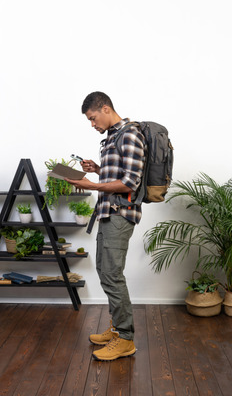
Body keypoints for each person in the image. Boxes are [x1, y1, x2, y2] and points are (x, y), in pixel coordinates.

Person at [65, 91, 145, 361]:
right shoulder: (111, 137)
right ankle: (117, 329)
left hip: (122, 214)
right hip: (108, 213)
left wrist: (91, 185)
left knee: (112, 274)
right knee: (104, 270)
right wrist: (98, 169)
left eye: (92, 118)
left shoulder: (130, 134)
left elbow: (130, 183)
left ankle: (125, 339)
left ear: (106, 109)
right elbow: (118, 174)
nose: (92, 124)